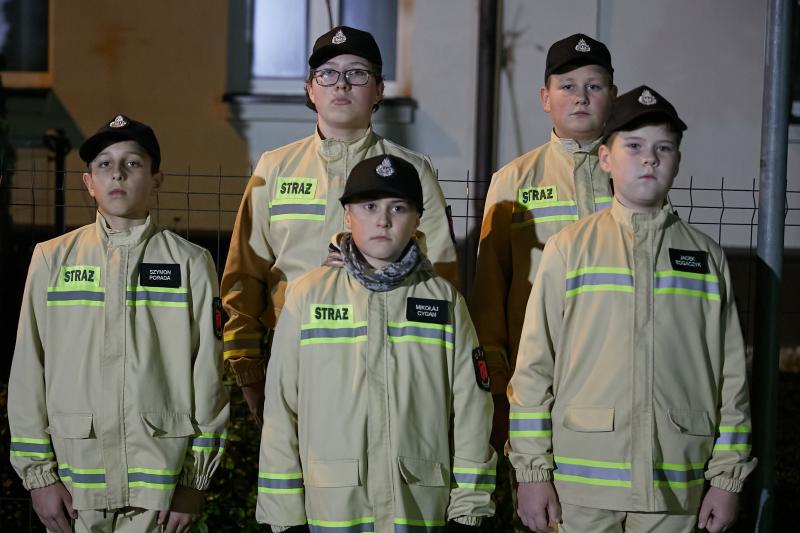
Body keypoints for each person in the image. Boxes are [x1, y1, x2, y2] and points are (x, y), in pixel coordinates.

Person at [509, 86, 757, 533]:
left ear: (678, 161)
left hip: (675, 484)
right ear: (605, 158)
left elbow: (733, 377)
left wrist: (727, 479)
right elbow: (533, 368)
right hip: (581, 488)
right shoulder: (569, 249)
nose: (650, 159)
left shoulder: (706, 258)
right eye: (635, 146)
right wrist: (531, 473)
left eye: (664, 148)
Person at [221, 26, 458, 425]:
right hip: (294, 354)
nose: (341, 84)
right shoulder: (274, 168)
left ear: (379, 90)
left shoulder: (413, 171)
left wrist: (431, 359)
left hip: (391, 353)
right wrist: (247, 368)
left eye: (357, 73)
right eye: (327, 73)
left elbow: (441, 273)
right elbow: (243, 273)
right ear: (310, 90)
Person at [8, 114, 229, 533]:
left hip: (160, 491)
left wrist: (193, 483)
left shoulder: (191, 263)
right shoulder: (52, 259)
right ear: (88, 182)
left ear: (157, 179)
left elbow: (208, 379)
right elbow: (27, 370)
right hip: (74, 487)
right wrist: (39, 476)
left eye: (133, 163)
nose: (118, 174)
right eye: (104, 164)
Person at [256, 155, 495, 532]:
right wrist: (284, 515)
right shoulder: (307, 297)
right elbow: (281, 408)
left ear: (418, 220)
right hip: (332, 509)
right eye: (369, 207)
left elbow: (473, 412)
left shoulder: (444, 302)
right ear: (347, 216)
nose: (383, 220)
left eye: (398, 208)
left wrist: (468, 509)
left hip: (418, 509)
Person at [469, 33, 616, 527]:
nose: (581, 97)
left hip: (617, 375)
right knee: (542, 512)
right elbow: (490, 289)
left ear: (613, 96)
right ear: (544, 97)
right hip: (537, 384)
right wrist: (496, 387)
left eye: (594, 86)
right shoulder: (514, 180)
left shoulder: (635, 173)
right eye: (567, 86)